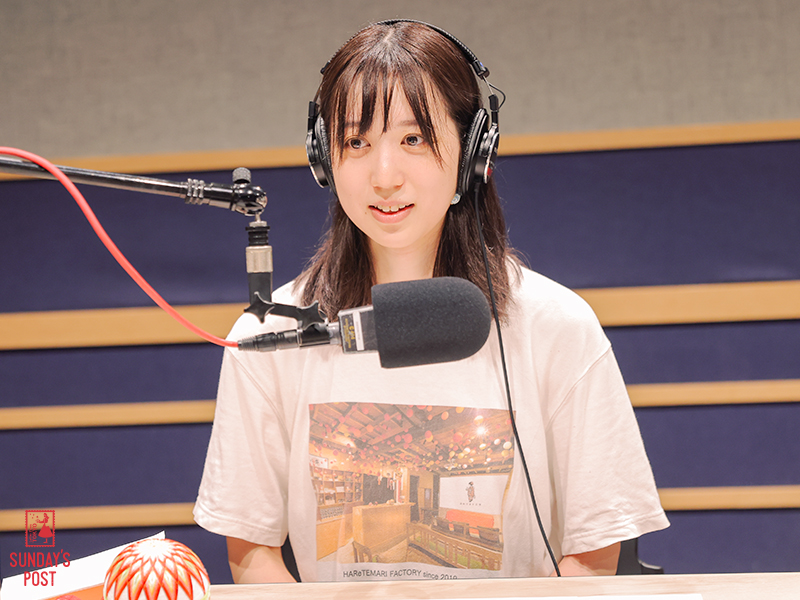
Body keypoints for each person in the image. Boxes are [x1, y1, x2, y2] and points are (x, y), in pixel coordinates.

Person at [194, 19, 668, 583]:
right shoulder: (272, 335)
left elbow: (595, 552)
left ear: (473, 152)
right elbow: (252, 553)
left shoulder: (558, 327)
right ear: (324, 159)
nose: (384, 176)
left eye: (413, 139)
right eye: (356, 142)